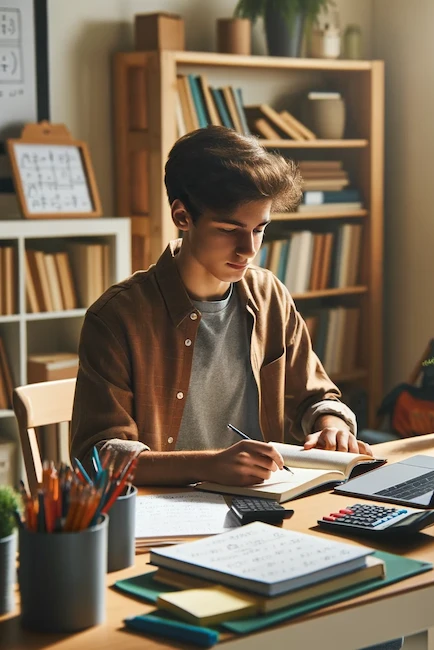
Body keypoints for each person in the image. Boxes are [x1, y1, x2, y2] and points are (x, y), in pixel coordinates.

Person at [70, 126, 373, 486]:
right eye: (230, 230)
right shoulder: (117, 318)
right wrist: (205, 465)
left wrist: (331, 425)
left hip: (265, 503)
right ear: (182, 217)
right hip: (164, 514)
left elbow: (316, 395)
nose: (248, 249)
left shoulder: (269, 295)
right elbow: (98, 455)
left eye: (260, 228)